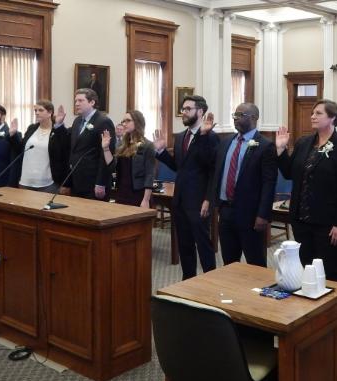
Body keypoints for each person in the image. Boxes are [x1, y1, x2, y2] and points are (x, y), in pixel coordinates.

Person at [275, 99, 337, 302]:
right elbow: (289, 173)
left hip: (330, 224)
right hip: (302, 220)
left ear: (333, 118)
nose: (312, 116)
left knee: (333, 273)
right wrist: (280, 150)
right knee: (307, 270)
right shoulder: (304, 143)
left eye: (318, 113)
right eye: (312, 113)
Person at [154, 95, 219, 280]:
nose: (183, 112)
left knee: (203, 245)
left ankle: (210, 282)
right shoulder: (181, 136)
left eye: (188, 109)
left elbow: (213, 170)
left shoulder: (211, 137)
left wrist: (208, 199)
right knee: (185, 245)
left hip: (199, 201)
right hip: (180, 200)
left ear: (200, 111)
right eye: (183, 109)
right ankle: (188, 281)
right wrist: (161, 151)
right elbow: (179, 166)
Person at [209, 103, 276, 267]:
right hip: (226, 210)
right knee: (229, 263)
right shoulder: (226, 142)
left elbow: (269, 183)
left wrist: (263, 215)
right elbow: (211, 168)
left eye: (240, 115)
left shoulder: (265, 145)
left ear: (254, 118)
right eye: (235, 115)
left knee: (256, 264)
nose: (235, 118)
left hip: (250, 214)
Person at [57, 88, 116, 200]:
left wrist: (101, 183)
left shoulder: (103, 121)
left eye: (80, 100)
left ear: (92, 102)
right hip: (77, 181)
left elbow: (106, 155)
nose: (76, 104)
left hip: (94, 182)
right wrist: (59, 125)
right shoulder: (77, 121)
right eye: (75, 101)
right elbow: (70, 146)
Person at [11, 100, 71, 192]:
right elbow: (21, 149)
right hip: (25, 181)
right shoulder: (32, 128)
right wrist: (13, 135)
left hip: (48, 182)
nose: (37, 113)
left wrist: (58, 125)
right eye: (35, 110)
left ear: (50, 112)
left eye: (41, 110)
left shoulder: (58, 131)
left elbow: (64, 153)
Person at [101, 110, 155, 207]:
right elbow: (112, 166)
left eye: (128, 121)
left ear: (138, 122)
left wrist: (146, 199)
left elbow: (149, 175)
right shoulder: (122, 145)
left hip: (139, 194)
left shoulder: (147, 145)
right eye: (123, 121)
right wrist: (106, 148)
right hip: (122, 192)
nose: (124, 124)